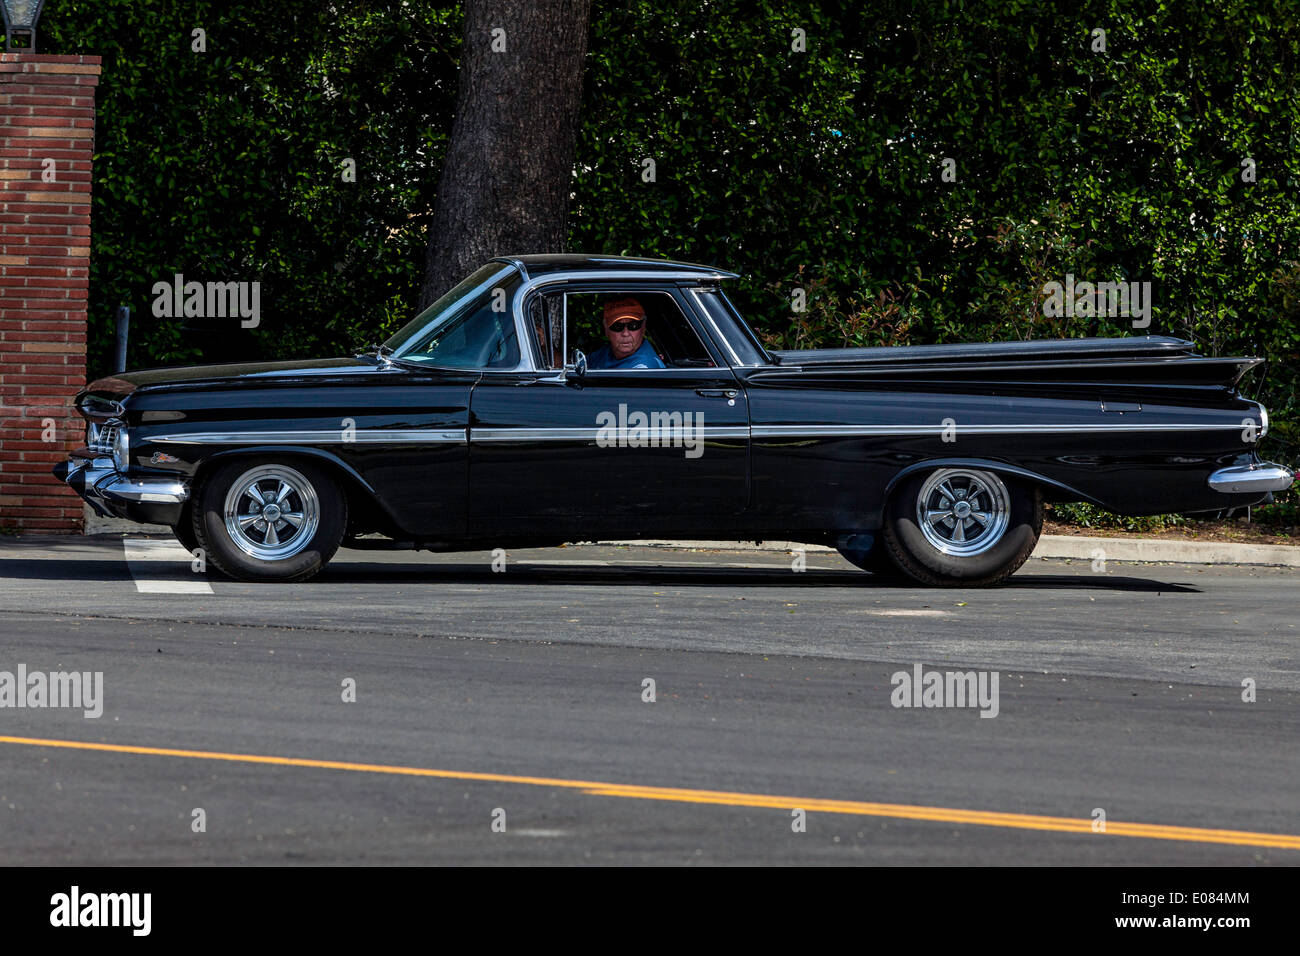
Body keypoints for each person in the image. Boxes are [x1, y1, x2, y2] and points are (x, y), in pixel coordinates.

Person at [587, 298, 666, 370]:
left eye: (633, 326)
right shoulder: (606, 353)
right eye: (617, 326)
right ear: (606, 330)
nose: (625, 333)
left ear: (643, 327)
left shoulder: (643, 369)